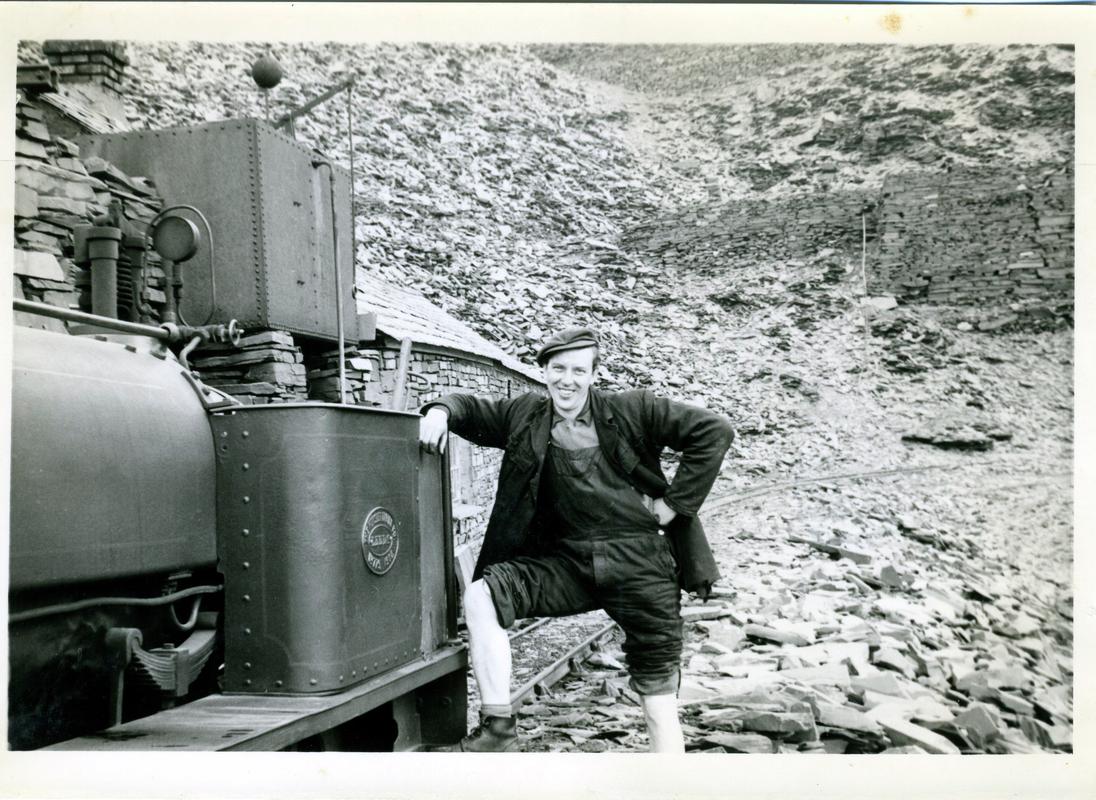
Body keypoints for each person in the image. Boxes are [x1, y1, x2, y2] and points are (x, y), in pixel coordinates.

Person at [418, 327, 734, 753]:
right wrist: (439, 411)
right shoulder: (526, 415)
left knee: (658, 704)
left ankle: (670, 779)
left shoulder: (632, 409)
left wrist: (675, 505)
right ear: (544, 371)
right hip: (568, 566)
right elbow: (471, 408)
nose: (567, 380)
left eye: (578, 371)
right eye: (558, 369)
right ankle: (498, 729)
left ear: (593, 375)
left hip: (641, 566)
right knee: (481, 596)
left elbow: (714, 430)